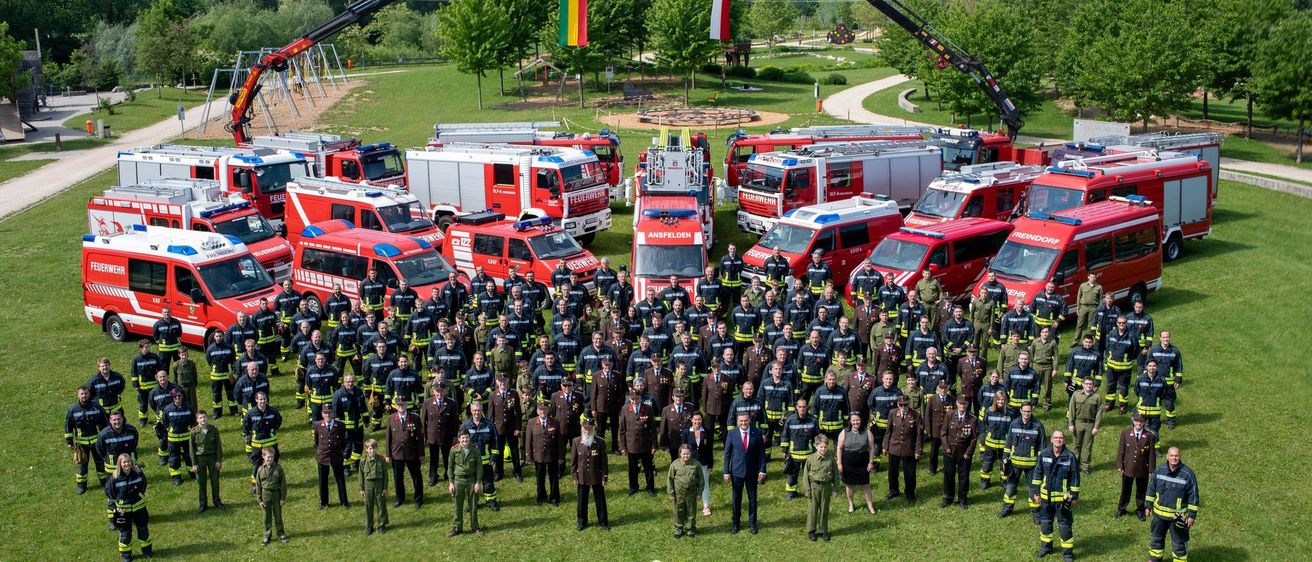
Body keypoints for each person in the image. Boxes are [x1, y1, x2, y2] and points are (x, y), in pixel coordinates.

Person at [1031, 431, 1079, 562]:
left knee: (1065, 526)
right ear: (1051, 440)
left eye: (1061, 438)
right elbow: (1038, 474)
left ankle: (1067, 554)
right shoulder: (1044, 454)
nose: (1058, 440)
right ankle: (1045, 548)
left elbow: (1075, 478)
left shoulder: (1070, 457)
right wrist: (1036, 492)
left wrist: (1074, 497)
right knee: (1045, 524)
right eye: (1056, 437)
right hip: (1046, 498)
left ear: (1064, 440)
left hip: (1062, 500)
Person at [1145, 447, 1199, 562]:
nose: (1174, 458)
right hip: (1159, 517)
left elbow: (1193, 495)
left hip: (1177, 518)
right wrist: (1148, 505)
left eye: (1177, 456)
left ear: (1180, 457)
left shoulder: (1187, 474)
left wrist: (1192, 515)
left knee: (1179, 544)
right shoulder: (1159, 470)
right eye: (1172, 456)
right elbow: (1151, 489)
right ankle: (1155, 559)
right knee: (1156, 540)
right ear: (1167, 457)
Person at [1000, 401, 1046, 521]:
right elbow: (1008, 442)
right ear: (1020, 411)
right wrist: (1005, 457)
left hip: (1032, 466)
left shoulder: (1038, 426)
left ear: (1032, 411)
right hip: (1014, 464)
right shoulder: (1013, 424)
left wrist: (1040, 465)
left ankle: (1035, 512)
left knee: (1033, 489)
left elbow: (1042, 448)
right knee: (1010, 487)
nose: (1026, 413)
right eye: (1024, 411)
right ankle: (1007, 508)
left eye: (1028, 411)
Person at [723, 412, 767, 534]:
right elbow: (727, 454)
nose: (743, 423)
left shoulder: (757, 432)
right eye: (741, 421)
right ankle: (735, 523)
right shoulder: (732, 434)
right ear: (737, 421)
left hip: (752, 472)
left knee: (752, 499)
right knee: (736, 499)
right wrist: (726, 472)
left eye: (745, 421)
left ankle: (752, 523)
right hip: (737, 472)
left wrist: (762, 470)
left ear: (749, 420)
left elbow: (762, 454)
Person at [105, 454, 151, 561]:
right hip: (123, 511)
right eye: (124, 462)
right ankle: (126, 556)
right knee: (125, 534)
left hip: (140, 508)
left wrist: (141, 495)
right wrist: (118, 501)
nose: (127, 464)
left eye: (128, 461)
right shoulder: (115, 478)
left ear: (131, 462)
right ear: (120, 464)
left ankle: (147, 551)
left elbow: (143, 484)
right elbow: (109, 492)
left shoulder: (138, 474)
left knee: (143, 530)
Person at [66, 386, 108, 495]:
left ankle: (104, 483)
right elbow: (68, 426)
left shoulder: (97, 407)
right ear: (78, 395)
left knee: (100, 464)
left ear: (89, 394)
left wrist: (106, 439)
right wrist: (69, 442)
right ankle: (81, 486)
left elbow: (104, 423)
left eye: (85, 393)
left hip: (96, 442)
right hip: (81, 444)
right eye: (82, 394)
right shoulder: (73, 409)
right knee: (82, 467)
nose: (84, 396)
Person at [1116, 414, 1157, 520]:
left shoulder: (1149, 436)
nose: (1139, 423)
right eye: (1136, 421)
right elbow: (1121, 451)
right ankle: (1121, 508)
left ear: (1144, 422)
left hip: (1142, 468)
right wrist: (1120, 465)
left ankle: (1140, 510)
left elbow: (1151, 454)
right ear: (1133, 421)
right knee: (1125, 489)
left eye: (1141, 421)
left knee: (1141, 490)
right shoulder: (1125, 433)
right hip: (1128, 467)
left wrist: (1151, 469)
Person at [386, 395, 424, 508]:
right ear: (395, 406)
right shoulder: (391, 418)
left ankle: (418, 499)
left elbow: (420, 437)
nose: (401, 406)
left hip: (412, 453)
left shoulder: (415, 418)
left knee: (416, 477)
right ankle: (399, 498)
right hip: (396, 454)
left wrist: (421, 453)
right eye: (398, 405)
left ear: (406, 405)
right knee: (398, 478)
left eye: (403, 404)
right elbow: (388, 438)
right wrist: (388, 454)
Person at [883, 394, 923, 502]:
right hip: (894, 447)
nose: (903, 407)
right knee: (892, 471)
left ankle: (910, 493)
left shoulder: (915, 415)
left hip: (908, 448)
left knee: (909, 472)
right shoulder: (892, 413)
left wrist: (918, 450)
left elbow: (919, 435)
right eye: (901, 405)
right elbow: (888, 431)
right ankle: (893, 490)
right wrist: (885, 446)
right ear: (897, 404)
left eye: (905, 405)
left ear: (908, 404)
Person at [573, 418, 610, 531]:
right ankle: (581, 522)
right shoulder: (576, 441)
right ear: (582, 429)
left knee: (600, 500)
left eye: (589, 429)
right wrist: (574, 476)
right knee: (581, 501)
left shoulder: (600, 442)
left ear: (594, 429)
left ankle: (603, 521)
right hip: (582, 475)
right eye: (585, 429)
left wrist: (604, 476)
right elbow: (574, 462)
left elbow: (604, 462)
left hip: (596, 475)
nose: (587, 432)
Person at [619, 387, 657, 496]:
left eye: (637, 398)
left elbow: (653, 429)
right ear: (630, 399)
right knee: (632, 468)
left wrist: (654, 445)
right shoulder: (625, 409)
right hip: (631, 445)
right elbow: (622, 430)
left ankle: (650, 487)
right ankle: (633, 487)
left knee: (648, 468)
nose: (635, 401)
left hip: (645, 444)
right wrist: (623, 446)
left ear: (640, 398)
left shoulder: (648, 409)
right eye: (633, 399)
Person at [447, 430, 485, 537]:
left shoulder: (475, 450)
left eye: (467, 437)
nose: (465, 440)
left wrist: (478, 482)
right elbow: (450, 467)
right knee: (457, 505)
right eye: (463, 438)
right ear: (459, 439)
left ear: (470, 438)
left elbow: (479, 467)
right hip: (458, 480)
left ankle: (475, 527)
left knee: (473, 505)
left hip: (471, 480)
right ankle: (457, 527)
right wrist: (451, 482)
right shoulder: (454, 450)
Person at [242, 391, 282, 493]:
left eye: (264, 399)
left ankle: (274, 482)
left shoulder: (273, 412)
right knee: (257, 465)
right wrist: (251, 435)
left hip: (271, 443)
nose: (263, 401)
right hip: (257, 445)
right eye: (260, 399)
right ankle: (255, 486)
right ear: (256, 400)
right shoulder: (250, 413)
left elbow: (278, 422)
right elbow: (246, 427)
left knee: (273, 463)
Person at [941, 395, 976, 509]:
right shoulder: (950, 415)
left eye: (965, 404)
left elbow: (974, 438)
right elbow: (943, 432)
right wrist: (946, 447)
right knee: (948, 475)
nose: (962, 405)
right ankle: (948, 497)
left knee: (964, 477)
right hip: (950, 451)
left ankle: (962, 499)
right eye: (960, 403)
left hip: (964, 453)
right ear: (956, 403)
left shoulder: (972, 419)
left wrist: (968, 453)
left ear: (967, 405)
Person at [780, 398, 818, 500]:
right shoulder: (790, 420)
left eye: (804, 407)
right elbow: (785, 435)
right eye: (800, 407)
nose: (802, 409)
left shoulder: (813, 420)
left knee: (810, 475)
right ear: (796, 407)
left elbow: (817, 437)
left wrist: (818, 452)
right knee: (792, 474)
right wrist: (784, 450)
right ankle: (791, 493)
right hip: (793, 454)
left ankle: (809, 491)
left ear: (807, 407)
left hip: (809, 454)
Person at [836, 413, 876, 514]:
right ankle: (850, 504)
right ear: (850, 421)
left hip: (863, 461)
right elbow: (839, 448)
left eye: (857, 420)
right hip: (848, 462)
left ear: (861, 421)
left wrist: (871, 462)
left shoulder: (867, 432)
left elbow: (871, 448)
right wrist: (839, 464)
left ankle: (870, 505)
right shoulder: (844, 432)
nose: (855, 422)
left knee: (866, 485)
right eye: (853, 420)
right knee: (850, 485)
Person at [525, 401, 562, 506]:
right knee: (540, 477)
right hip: (538, 456)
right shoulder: (531, 422)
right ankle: (541, 497)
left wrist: (560, 456)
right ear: (537, 411)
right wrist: (528, 457)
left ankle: (554, 497)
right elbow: (528, 441)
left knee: (553, 477)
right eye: (541, 409)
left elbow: (559, 440)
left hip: (552, 454)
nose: (543, 411)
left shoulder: (554, 422)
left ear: (548, 410)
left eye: (545, 409)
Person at [422, 383, 459, 485]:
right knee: (433, 458)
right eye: (437, 391)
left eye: (441, 391)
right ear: (433, 391)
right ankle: (433, 476)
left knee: (447, 456)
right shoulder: (427, 403)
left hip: (446, 435)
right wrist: (424, 436)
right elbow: (423, 420)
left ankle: (449, 474)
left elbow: (455, 421)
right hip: (432, 435)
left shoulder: (451, 403)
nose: (439, 393)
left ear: (445, 391)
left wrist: (455, 436)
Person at [803, 435, 838, 542]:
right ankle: (811, 531)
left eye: (825, 447)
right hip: (814, 487)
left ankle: (824, 530)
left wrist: (835, 488)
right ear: (816, 446)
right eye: (821, 447)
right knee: (812, 510)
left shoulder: (830, 459)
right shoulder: (810, 459)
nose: (823, 449)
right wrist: (807, 490)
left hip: (826, 487)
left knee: (824, 509)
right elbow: (805, 476)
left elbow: (836, 474)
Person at [1066, 377, 1104, 475]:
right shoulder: (1076, 394)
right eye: (1086, 383)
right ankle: (1075, 466)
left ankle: (1085, 467)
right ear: (1083, 384)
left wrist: (1096, 427)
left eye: (1090, 384)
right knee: (1076, 446)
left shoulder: (1097, 397)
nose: (1088, 385)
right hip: (1078, 423)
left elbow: (1099, 413)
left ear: (1093, 385)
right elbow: (1071, 410)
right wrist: (1070, 423)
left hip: (1090, 425)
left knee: (1088, 446)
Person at [314, 406, 350, 509]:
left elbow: (345, 441)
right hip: (323, 456)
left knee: (340, 480)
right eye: (325, 412)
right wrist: (320, 451)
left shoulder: (340, 425)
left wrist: (343, 453)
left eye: (329, 412)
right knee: (322, 481)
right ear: (322, 414)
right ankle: (324, 503)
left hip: (336, 456)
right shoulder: (317, 425)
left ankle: (344, 502)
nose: (328, 415)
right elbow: (317, 441)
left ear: (333, 413)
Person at [189, 411, 224, 513]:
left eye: (204, 417)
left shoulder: (213, 430)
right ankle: (203, 504)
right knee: (201, 482)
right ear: (197, 420)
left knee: (215, 481)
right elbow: (191, 449)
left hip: (212, 458)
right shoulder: (194, 432)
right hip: (200, 459)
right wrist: (194, 464)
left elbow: (218, 446)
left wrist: (218, 460)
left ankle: (217, 502)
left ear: (207, 418)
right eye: (200, 418)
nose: (203, 420)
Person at [667, 443, 704, 539]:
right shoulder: (675, 464)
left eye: (687, 454)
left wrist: (699, 493)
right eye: (683, 454)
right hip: (678, 493)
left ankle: (690, 529)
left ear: (691, 454)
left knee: (691, 511)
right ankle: (678, 529)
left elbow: (701, 480)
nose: (685, 456)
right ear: (680, 454)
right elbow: (670, 479)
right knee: (678, 511)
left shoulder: (696, 464)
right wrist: (671, 493)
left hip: (691, 493)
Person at [682, 412, 714, 516]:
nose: (697, 422)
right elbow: (683, 449)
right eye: (695, 419)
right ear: (691, 420)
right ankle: (689, 506)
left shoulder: (707, 432)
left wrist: (710, 464)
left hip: (704, 462)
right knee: (690, 484)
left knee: (704, 483)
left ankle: (705, 506)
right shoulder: (686, 432)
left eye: (699, 419)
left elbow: (710, 449)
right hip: (690, 463)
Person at [977, 392, 1012, 490]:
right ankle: (985, 481)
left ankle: (1004, 481)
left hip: (1004, 445)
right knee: (987, 464)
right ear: (995, 400)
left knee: (1004, 464)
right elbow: (984, 426)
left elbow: (1011, 429)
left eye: (1002, 400)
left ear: (1005, 401)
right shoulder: (989, 411)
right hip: (990, 444)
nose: (1000, 401)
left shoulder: (1010, 413)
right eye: (999, 399)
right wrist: (983, 440)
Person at [161, 388, 195, 485]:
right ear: (172, 397)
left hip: (186, 437)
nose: (177, 398)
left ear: (182, 396)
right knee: (174, 458)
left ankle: (192, 473)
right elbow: (165, 422)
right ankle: (176, 477)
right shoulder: (168, 409)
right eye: (175, 396)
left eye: (179, 396)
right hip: (173, 439)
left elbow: (193, 420)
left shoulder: (189, 407)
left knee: (189, 456)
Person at [256, 446, 289, 545]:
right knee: (267, 516)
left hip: (276, 494)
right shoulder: (260, 470)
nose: (270, 459)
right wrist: (260, 500)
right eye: (268, 457)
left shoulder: (278, 468)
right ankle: (267, 535)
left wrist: (283, 498)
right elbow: (258, 485)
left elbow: (283, 484)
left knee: (278, 515)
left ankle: (281, 533)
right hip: (265, 495)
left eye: (272, 457)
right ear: (263, 456)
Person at [359, 439, 390, 536]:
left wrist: (385, 488)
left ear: (377, 449)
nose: (372, 451)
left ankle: (382, 525)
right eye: (370, 449)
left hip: (379, 484)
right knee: (368, 505)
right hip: (368, 485)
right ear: (367, 449)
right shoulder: (363, 461)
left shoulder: (381, 459)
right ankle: (369, 526)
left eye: (374, 448)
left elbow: (385, 474)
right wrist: (362, 488)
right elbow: (361, 475)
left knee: (381, 504)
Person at [1073, 273, 1102, 341]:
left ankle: (1089, 340)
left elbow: (1101, 299)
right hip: (1083, 307)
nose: (1093, 278)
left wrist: (1099, 309)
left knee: (1091, 325)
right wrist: (1078, 308)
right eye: (1091, 277)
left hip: (1093, 308)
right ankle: (1076, 341)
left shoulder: (1099, 287)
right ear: (1088, 277)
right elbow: (1079, 296)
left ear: (1096, 278)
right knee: (1080, 324)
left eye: (1094, 277)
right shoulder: (1083, 285)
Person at [172, 347, 199, 412]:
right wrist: (177, 388)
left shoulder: (192, 364)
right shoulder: (176, 365)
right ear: (179, 355)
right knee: (183, 402)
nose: (184, 357)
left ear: (187, 354)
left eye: (185, 355)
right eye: (182, 355)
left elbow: (195, 376)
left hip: (191, 387)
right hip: (181, 387)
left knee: (193, 403)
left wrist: (193, 385)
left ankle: (194, 415)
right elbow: (175, 377)